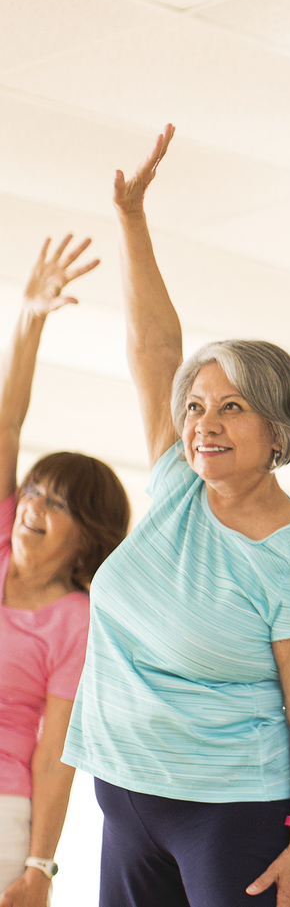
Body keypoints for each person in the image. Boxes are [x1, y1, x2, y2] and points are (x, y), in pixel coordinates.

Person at [61, 125, 290, 907]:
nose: (204, 424)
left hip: (229, 811)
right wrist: (131, 218)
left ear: (277, 429)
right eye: (196, 407)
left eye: (231, 407)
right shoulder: (177, 486)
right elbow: (155, 347)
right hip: (124, 793)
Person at [0, 236, 130, 906]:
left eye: (57, 503)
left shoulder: (75, 620)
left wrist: (40, 867)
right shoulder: (0, 539)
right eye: (33, 491)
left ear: (89, 538)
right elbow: (6, 424)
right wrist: (29, 317)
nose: (33, 506)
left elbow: (56, 753)